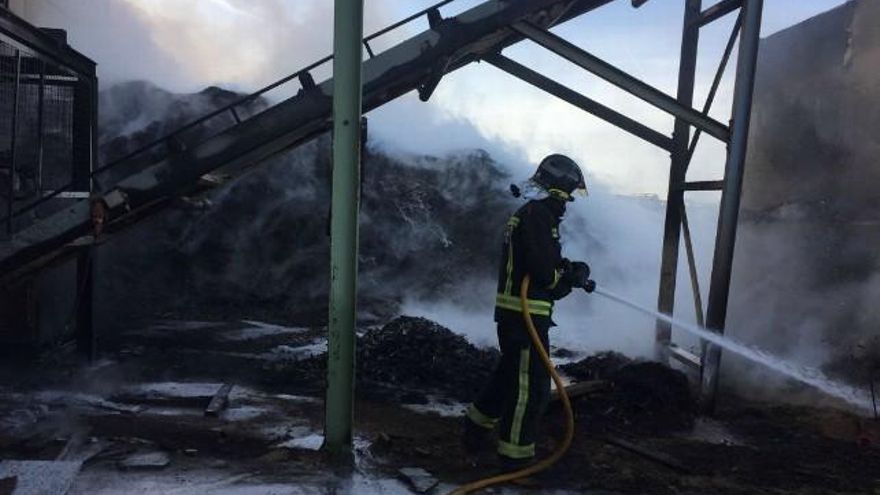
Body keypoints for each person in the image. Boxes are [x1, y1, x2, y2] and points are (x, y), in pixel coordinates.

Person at [463, 153, 595, 470]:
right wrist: (567, 280)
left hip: (518, 316)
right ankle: (515, 458)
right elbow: (544, 275)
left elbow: (541, 261)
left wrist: (570, 269)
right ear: (559, 188)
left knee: (509, 376)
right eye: (569, 195)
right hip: (525, 318)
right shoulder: (539, 216)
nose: (568, 203)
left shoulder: (532, 214)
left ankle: (474, 428)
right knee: (532, 387)